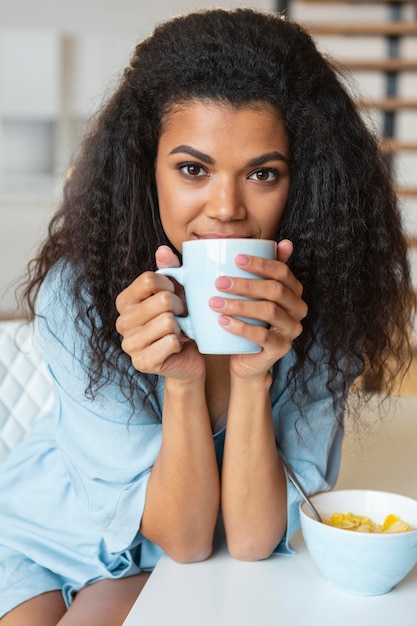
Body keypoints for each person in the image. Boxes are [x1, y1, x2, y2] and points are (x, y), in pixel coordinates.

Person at [0, 7, 414, 625]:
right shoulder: (80, 293)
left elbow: (236, 540)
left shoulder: (319, 311)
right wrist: (181, 380)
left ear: (302, 182)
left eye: (263, 173)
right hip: (40, 531)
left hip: (168, 552)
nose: (226, 209)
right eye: (193, 169)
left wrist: (248, 377)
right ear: (149, 169)